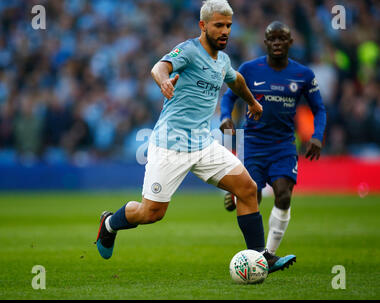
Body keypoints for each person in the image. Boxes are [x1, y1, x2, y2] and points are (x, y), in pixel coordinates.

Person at [95, 1, 295, 274]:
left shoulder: (222, 60)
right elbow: (159, 67)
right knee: (151, 213)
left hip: (203, 144)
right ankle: (109, 223)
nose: (225, 31)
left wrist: (252, 102)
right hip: (170, 145)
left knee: (247, 189)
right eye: (219, 26)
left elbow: (235, 80)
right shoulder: (189, 50)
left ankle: (261, 256)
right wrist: (163, 80)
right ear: (203, 26)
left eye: (228, 26)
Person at [220, 21, 327, 255]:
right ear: (266, 43)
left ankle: (267, 254)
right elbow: (228, 97)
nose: (277, 43)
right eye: (273, 39)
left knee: (284, 193)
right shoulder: (249, 69)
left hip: (283, 146)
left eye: (282, 39)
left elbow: (319, 109)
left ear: (290, 43)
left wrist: (317, 136)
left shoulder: (303, 75)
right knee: (252, 195)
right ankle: (238, 199)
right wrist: (226, 117)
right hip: (253, 144)